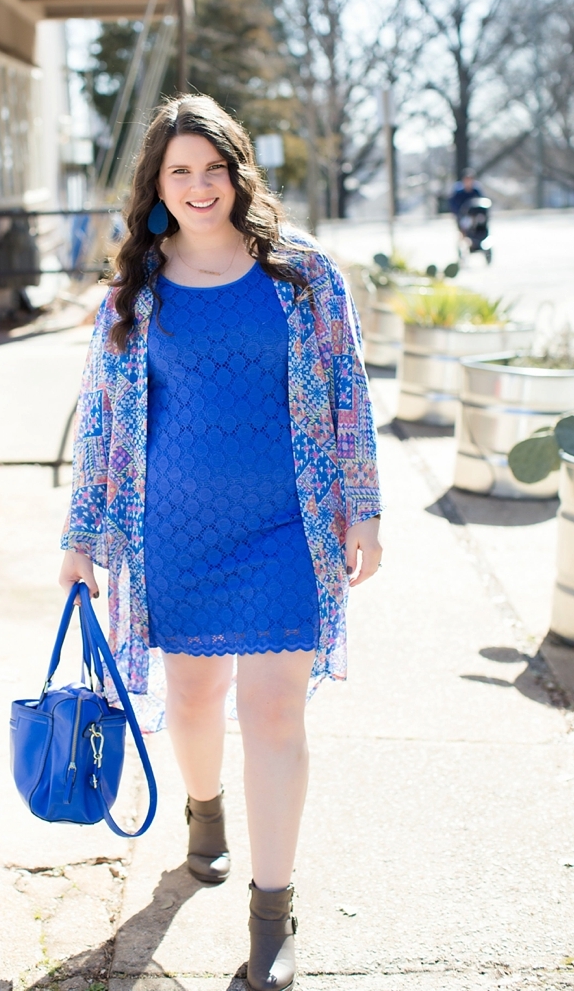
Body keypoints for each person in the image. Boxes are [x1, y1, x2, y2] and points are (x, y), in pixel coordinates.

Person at [59, 95, 382, 991]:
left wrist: (363, 508)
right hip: (174, 535)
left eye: (214, 169)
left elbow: (348, 393)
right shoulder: (135, 289)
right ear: (158, 186)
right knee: (194, 698)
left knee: (274, 715)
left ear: (238, 174)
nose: (200, 187)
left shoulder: (304, 275)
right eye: (181, 172)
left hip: (288, 529)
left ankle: (272, 916)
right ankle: (204, 814)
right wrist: (82, 537)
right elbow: (103, 426)